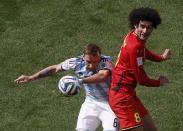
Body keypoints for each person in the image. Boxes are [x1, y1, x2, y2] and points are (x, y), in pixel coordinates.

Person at [15, 43, 119, 131]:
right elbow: (55, 68)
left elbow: (102, 76)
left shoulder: (106, 61)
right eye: (88, 62)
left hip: (111, 104)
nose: (92, 65)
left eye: (95, 62)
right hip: (90, 104)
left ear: (99, 57)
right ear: (83, 57)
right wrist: (31, 77)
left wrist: (80, 81)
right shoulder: (76, 62)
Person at [108, 7, 172, 131]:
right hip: (122, 99)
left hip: (129, 94)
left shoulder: (133, 37)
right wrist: (159, 82)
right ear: (135, 25)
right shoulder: (134, 47)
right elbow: (141, 79)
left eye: (149, 27)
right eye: (142, 26)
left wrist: (161, 58)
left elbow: (143, 51)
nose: (145, 30)